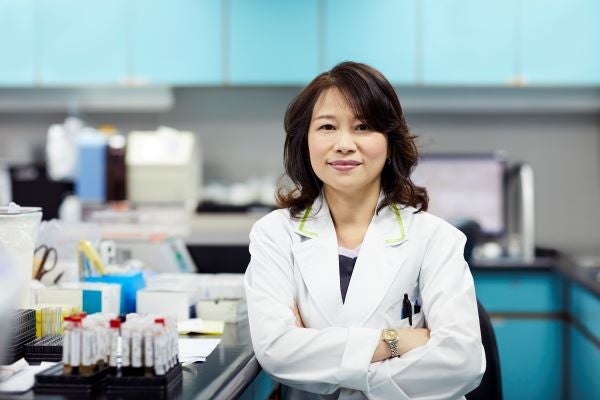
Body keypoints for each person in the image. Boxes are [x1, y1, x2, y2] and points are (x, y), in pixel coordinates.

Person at [244, 62, 485, 399]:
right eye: (327, 126)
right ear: (305, 141)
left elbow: (462, 361)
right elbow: (276, 351)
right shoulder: (274, 235)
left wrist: (325, 360)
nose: (344, 144)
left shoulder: (435, 239)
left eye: (363, 127)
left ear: (389, 142)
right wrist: (396, 341)